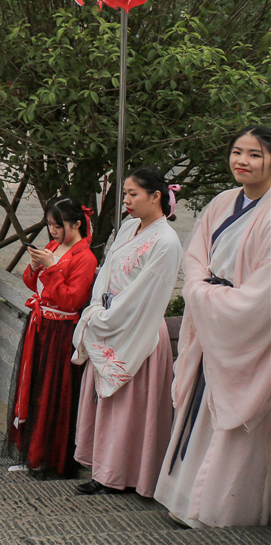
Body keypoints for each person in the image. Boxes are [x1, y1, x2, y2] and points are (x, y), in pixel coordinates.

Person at [155, 126, 271, 527]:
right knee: (200, 410)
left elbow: (263, 292)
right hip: (212, 321)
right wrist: (199, 288)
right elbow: (195, 253)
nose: (242, 161)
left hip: (244, 333)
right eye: (237, 151)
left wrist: (207, 297)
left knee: (234, 419)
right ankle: (183, 499)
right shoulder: (223, 201)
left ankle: (221, 509)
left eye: (254, 154)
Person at [73, 166, 183, 499]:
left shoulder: (166, 241)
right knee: (109, 403)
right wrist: (96, 310)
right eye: (125, 194)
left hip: (140, 327)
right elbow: (105, 272)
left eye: (133, 194)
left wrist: (106, 319)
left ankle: (129, 474)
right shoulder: (130, 227)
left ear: (156, 197)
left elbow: (147, 294)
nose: (127, 200)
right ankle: (104, 470)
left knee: (132, 408)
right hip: (109, 320)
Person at [4, 198, 96, 476]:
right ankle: (30, 450)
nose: (52, 231)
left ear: (77, 224)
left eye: (58, 225)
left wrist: (51, 268)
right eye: (50, 225)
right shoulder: (54, 247)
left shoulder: (86, 257)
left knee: (52, 391)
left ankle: (49, 456)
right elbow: (33, 283)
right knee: (32, 385)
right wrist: (34, 267)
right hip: (41, 323)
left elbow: (72, 300)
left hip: (61, 331)